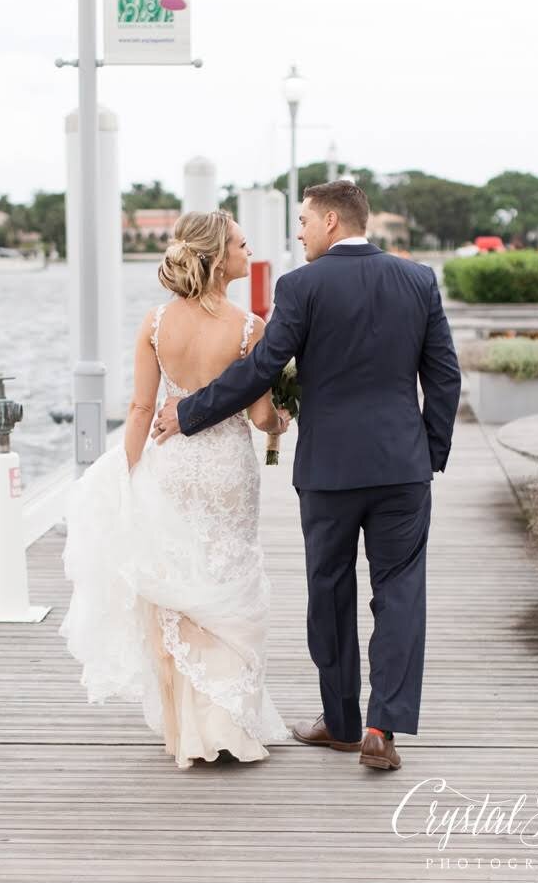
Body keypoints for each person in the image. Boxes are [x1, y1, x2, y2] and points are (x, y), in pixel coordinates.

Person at [152, 181, 461, 771]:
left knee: (331, 590)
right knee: (400, 593)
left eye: (302, 221)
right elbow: (444, 377)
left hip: (329, 472)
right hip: (402, 468)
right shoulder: (419, 280)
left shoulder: (301, 287)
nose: (297, 232)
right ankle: (382, 727)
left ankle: (341, 723)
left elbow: (260, 371)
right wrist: (430, 453)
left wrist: (188, 413)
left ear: (330, 223)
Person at [60, 209, 293, 769]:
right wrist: (284, 415)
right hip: (227, 474)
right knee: (227, 581)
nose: (248, 250)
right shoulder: (249, 328)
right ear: (218, 261)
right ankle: (225, 723)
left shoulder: (156, 323)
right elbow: (261, 416)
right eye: (241, 243)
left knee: (174, 591)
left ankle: (184, 732)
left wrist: (130, 474)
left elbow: (141, 407)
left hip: (171, 466)